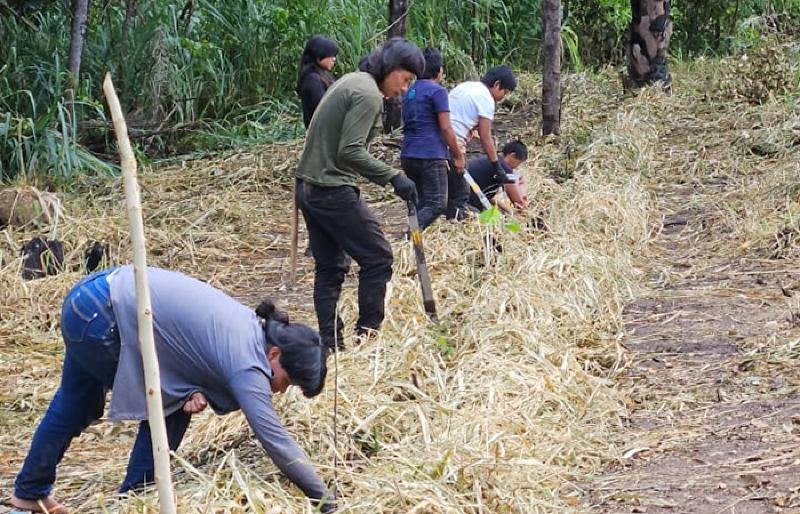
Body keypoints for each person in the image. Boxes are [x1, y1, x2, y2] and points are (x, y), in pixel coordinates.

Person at [11, 266, 335, 514]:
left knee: (75, 403)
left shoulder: (251, 328)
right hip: (105, 317)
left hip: (95, 295)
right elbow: (274, 440)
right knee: (166, 412)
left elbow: (186, 353)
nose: (279, 391)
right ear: (275, 355)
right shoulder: (248, 363)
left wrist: (189, 389)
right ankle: (136, 500)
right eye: (286, 382)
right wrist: (325, 499)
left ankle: (29, 492)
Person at [295, 37, 423, 348]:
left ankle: (331, 344)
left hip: (307, 186)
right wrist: (393, 177)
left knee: (330, 268)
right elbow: (350, 151)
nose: (405, 88)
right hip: (330, 189)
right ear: (390, 68)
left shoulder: (353, 80)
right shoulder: (367, 94)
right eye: (405, 79)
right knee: (378, 257)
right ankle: (367, 339)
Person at [400, 47, 465, 230]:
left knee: (421, 203)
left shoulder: (410, 91)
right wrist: (457, 155)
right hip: (429, 154)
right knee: (436, 204)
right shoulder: (437, 91)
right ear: (439, 71)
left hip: (409, 154)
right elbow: (445, 126)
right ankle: (408, 237)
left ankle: (415, 244)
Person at [445, 65, 518, 219]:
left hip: (440, 140)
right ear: (497, 84)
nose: (503, 97)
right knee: (461, 195)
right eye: (504, 92)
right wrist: (496, 165)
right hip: (453, 144)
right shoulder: (486, 99)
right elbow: (486, 137)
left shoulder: (466, 87)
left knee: (442, 194)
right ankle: (465, 224)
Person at [466, 140, 529, 212]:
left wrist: (508, 210)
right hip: (468, 201)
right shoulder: (504, 167)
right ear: (512, 155)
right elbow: (517, 202)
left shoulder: (490, 159)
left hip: (463, 196)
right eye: (518, 163)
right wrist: (526, 211)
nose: (516, 167)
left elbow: (488, 197)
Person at [296, 35, 339, 128]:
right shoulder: (312, 80)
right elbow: (322, 109)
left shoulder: (322, 74)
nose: (334, 59)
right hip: (320, 129)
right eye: (330, 55)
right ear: (318, 57)